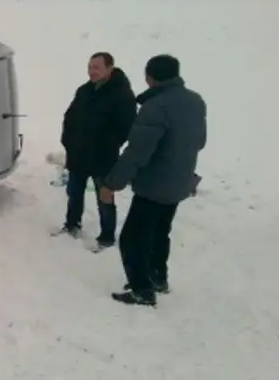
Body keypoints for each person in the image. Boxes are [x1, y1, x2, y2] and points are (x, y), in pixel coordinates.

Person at [99, 54, 207, 306]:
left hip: (154, 185)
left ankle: (142, 289)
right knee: (160, 231)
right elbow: (199, 142)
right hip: (179, 180)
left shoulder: (155, 107)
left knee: (132, 238)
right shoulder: (194, 101)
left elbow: (137, 152)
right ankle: (158, 277)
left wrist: (112, 183)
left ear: (150, 77)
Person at [55, 52, 137, 251]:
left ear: (110, 68)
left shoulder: (122, 95)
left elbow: (125, 128)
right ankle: (72, 225)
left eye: (97, 67)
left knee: (105, 199)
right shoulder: (84, 90)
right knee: (74, 194)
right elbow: (70, 117)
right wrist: (67, 142)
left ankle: (107, 237)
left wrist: (105, 145)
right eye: (90, 67)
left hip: (103, 158)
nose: (92, 71)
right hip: (78, 155)